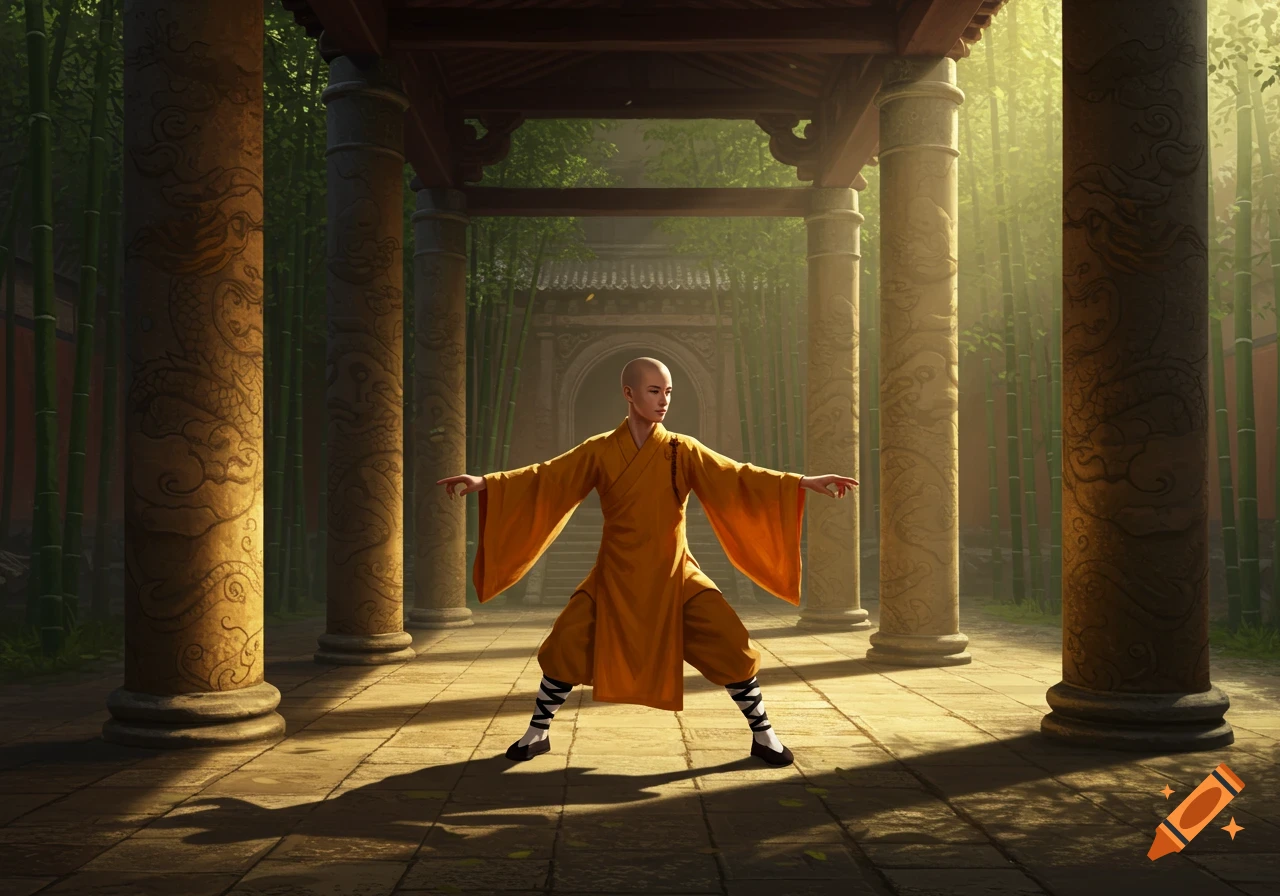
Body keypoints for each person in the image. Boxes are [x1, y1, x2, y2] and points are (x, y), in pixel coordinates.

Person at [438, 357, 856, 766]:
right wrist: (485, 483)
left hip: (676, 572)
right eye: (654, 390)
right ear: (628, 393)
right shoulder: (599, 450)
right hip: (614, 573)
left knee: (731, 643)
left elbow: (737, 475)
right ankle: (537, 733)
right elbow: (547, 477)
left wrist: (802, 482)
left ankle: (765, 737)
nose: (664, 400)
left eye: (669, 391)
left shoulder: (682, 450)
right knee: (567, 642)